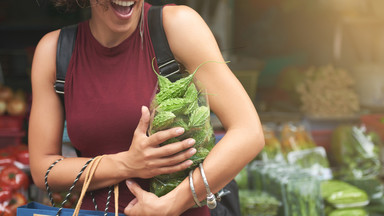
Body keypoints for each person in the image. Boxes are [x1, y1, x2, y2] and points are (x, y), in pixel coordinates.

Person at [28, 0, 265, 215]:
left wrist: (173, 203)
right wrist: (126, 164)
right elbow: (42, 169)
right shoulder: (55, 52)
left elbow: (249, 133)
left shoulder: (176, 26)